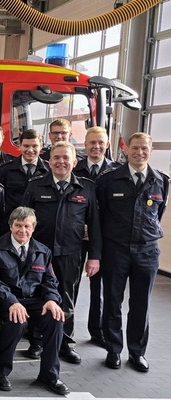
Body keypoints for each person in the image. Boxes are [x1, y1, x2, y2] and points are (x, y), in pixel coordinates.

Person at [23, 141, 101, 364]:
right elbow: (23, 219)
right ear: (49, 162)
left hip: (71, 253)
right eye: (56, 158)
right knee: (38, 295)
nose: (61, 162)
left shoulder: (86, 188)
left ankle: (65, 342)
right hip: (39, 254)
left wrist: (94, 256)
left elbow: (94, 225)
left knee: (67, 297)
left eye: (66, 158)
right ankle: (36, 341)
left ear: (75, 162)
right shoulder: (36, 186)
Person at [97, 132, 169, 372]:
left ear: (151, 151)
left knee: (141, 304)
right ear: (126, 149)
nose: (139, 153)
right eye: (135, 148)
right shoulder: (109, 179)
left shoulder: (161, 180)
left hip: (147, 251)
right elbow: (100, 216)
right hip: (115, 249)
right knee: (113, 301)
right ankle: (114, 350)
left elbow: (157, 216)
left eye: (144, 149)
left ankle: (137, 352)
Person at [0, 207, 70, 395]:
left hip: (34, 300)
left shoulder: (43, 250)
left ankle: (49, 375)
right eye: (18, 225)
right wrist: (12, 302)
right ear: (10, 226)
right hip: (5, 300)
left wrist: (51, 300)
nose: (22, 230)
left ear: (33, 228)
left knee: (56, 318)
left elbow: (50, 281)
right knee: (17, 320)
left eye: (27, 226)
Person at [72, 127, 119, 347]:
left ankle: (97, 331)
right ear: (85, 143)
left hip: (105, 238)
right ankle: (66, 332)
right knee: (69, 284)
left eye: (101, 143)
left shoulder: (117, 172)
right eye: (92, 142)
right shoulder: (75, 168)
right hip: (75, 236)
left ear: (107, 145)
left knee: (99, 286)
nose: (96, 147)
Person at [0, 129, 49, 226]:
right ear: (20, 146)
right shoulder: (5, 170)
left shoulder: (49, 171)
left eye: (34, 146)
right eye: (26, 146)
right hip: (10, 226)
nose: (30, 150)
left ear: (41, 146)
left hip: (40, 227)